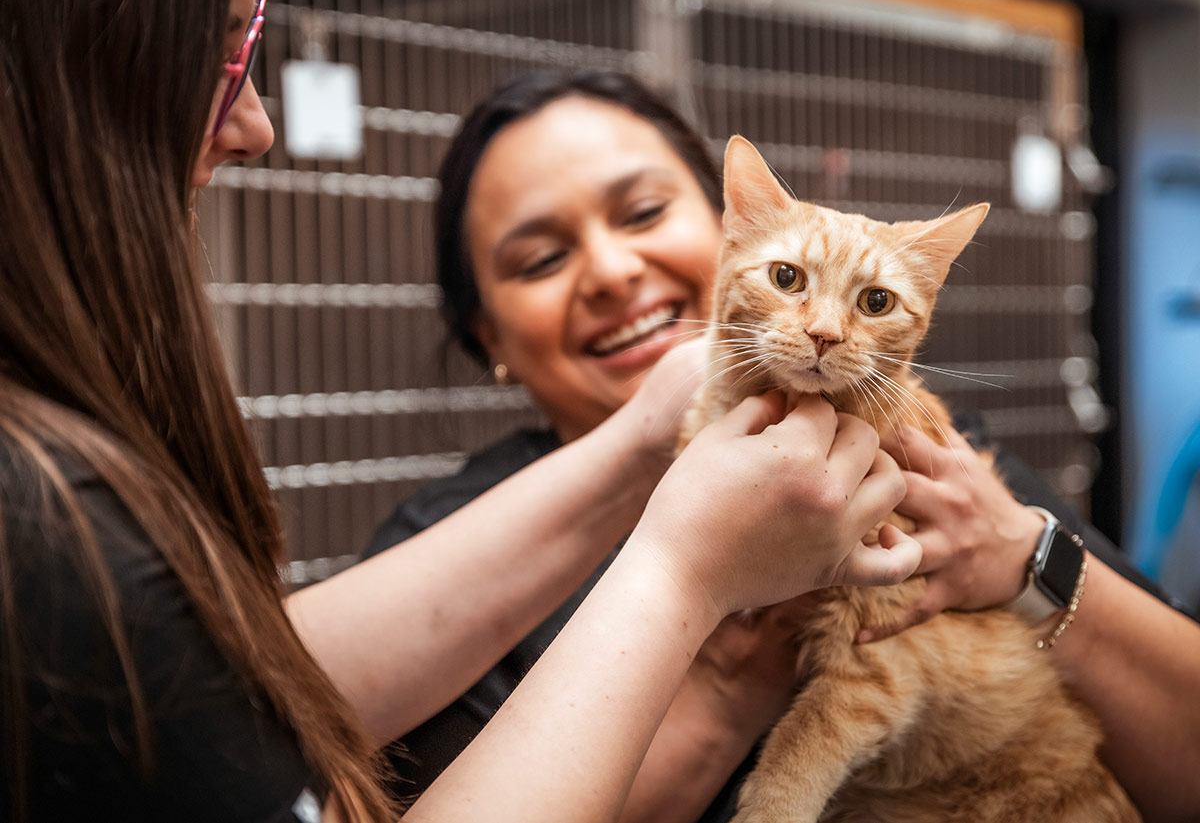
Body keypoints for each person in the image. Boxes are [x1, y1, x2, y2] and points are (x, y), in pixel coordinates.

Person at [0, 0, 925, 823]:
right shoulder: (53, 523)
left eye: (644, 211)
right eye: (228, 53)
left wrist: (658, 434)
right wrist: (687, 571)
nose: (255, 125)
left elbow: (240, 681)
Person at [364, 69, 1200, 823]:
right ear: (484, 330)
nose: (613, 271)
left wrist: (1031, 560)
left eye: (646, 212)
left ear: (724, 225)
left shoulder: (920, 447)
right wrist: (736, 669)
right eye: (542, 257)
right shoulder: (434, 552)